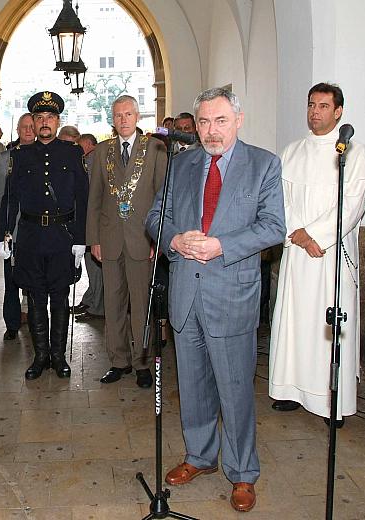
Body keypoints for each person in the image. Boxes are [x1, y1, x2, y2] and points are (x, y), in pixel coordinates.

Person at [145, 87, 285, 513]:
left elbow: (273, 227)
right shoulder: (182, 163)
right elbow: (156, 217)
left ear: (238, 120)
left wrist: (222, 245)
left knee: (235, 388)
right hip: (186, 292)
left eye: (220, 121)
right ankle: (200, 455)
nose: (211, 131)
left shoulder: (263, 164)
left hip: (231, 294)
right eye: (204, 122)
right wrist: (174, 240)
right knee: (192, 385)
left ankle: (242, 471)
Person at [268, 83, 365, 426]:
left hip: (329, 253)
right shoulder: (292, 152)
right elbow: (279, 200)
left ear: (338, 111)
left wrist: (316, 235)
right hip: (298, 254)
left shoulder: (354, 154)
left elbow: (352, 205)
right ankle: (291, 390)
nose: (315, 112)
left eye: (324, 106)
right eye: (311, 105)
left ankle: (332, 401)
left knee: (329, 325)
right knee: (295, 323)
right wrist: (298, 234)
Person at [0, 91, 88, 380]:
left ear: (58, 121)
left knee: (60, 297)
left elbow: (83, 198)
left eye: (50, 117)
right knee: (35, 298)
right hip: (31, 238)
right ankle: (39, 356)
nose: (45, 122)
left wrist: (81, 238)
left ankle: (58, 357)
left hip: (62, 237)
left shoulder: (72, 153)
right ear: (33, 123)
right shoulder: (20, 156)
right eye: (39, 118)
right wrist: (4, 233)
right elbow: (11, 199)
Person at [87, 95, 167, 388]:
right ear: (113, 119)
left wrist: (158, 239)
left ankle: (142, 362)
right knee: (113, 303)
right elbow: (94, 198)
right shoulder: (102, 151)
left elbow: (162, 198)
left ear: (137, 117)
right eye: (118, 115)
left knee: (141, 304)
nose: (123, 120)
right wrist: (93, 239)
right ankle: (118, 360)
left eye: (128, 114)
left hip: (142, 240)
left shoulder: (155, 149)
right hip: (109, 239)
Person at [0, 113, 36, 340]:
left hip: (36, 228)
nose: (28, 130)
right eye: (24, 127)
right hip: (13, 227)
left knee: (34, 278)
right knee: (10, 279)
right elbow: (0, 192)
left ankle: (34, 316)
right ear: (18, 130)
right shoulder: (6, 157)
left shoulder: (43, 154)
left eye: (32, 126)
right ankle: (11, 323)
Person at [72, 133, 105, 320]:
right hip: (89, 221)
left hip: (94, 221)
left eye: (81, 144)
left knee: (95, 266)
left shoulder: (93, 160)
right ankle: (91, 299)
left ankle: (97, 307)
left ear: (90, 144)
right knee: (91, 266)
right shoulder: (90, 159)